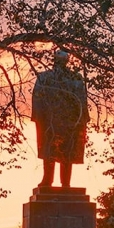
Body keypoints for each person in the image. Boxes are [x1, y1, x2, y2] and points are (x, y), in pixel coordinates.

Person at [31, 49, 88, 188]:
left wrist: (81, 119)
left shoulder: (75, 79)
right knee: (49, 150)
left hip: (69, 122)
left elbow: (81, 101)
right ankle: (48, 180)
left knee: (66, 151)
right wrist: (39, 118)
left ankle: (65, 183)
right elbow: (37, 99)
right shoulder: (44, 78)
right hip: (50, 120)